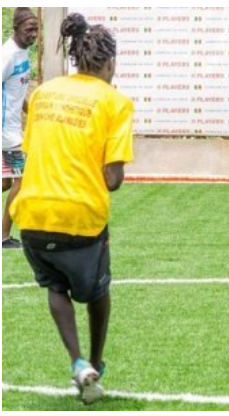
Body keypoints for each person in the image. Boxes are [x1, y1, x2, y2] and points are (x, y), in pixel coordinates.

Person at [11, 13, 133, 404]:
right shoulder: (116, 102)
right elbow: (112, 179)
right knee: (99, 290)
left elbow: (33, 149)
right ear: (110, 64)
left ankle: (77, 362)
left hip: (30, 215)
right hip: (80, 216)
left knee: (54, 285)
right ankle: (95, 362)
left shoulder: (44, 93)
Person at [2, 7, 39, 249]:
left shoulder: (23, 52)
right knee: (21, 181)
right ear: (16, 28)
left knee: (6, 183)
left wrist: (32, 112)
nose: (33, 34)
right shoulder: (6, 55)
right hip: (6, 133)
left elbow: (16, 91)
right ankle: (3, 236)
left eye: (36, 29)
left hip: (13, 129)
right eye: (29, 30)